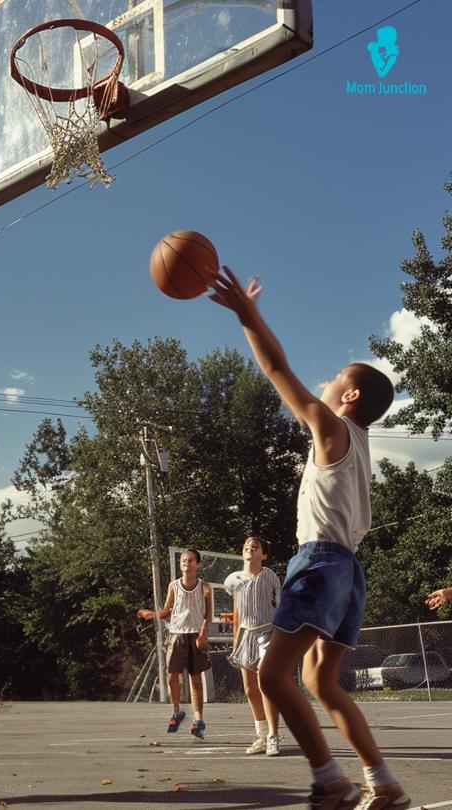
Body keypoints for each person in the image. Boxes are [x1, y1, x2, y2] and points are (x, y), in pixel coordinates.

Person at [209, 267, 409, 810]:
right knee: (321, 683)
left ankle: (331, 779)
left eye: (332, 380)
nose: (321, 384)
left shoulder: (331, 429)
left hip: (320, 562)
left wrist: (247, 315)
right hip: (348, 569)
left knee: (273, 675)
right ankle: (384, 781)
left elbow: (276, 368)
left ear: (349, 395)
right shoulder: (360, 443)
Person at [137, 549, 212, 739]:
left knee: (195, 680)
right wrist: (153, 615)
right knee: (173, 677)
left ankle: (198, 719)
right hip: (176, 634)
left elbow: (208, 615)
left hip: (195, 635)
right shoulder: (174, 586)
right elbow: (167, 610)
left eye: (190, 560)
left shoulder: (205, 587)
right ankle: (177, 710)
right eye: (183, 561)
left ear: (198, 564)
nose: (186, 563)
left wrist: (203, 632)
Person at [229, 536, 282, 757]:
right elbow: (236, 613)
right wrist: (235, 641)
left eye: (256, 546)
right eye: (247, 546)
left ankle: (273, 736)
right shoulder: (235, 580)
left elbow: (280, 606)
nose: (251, 548)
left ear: (264, 555)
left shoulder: (270, 576)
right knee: (250, 689)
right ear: (243, 553)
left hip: (267, 632)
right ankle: (261, 735)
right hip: (245, 634)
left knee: (265, 683)